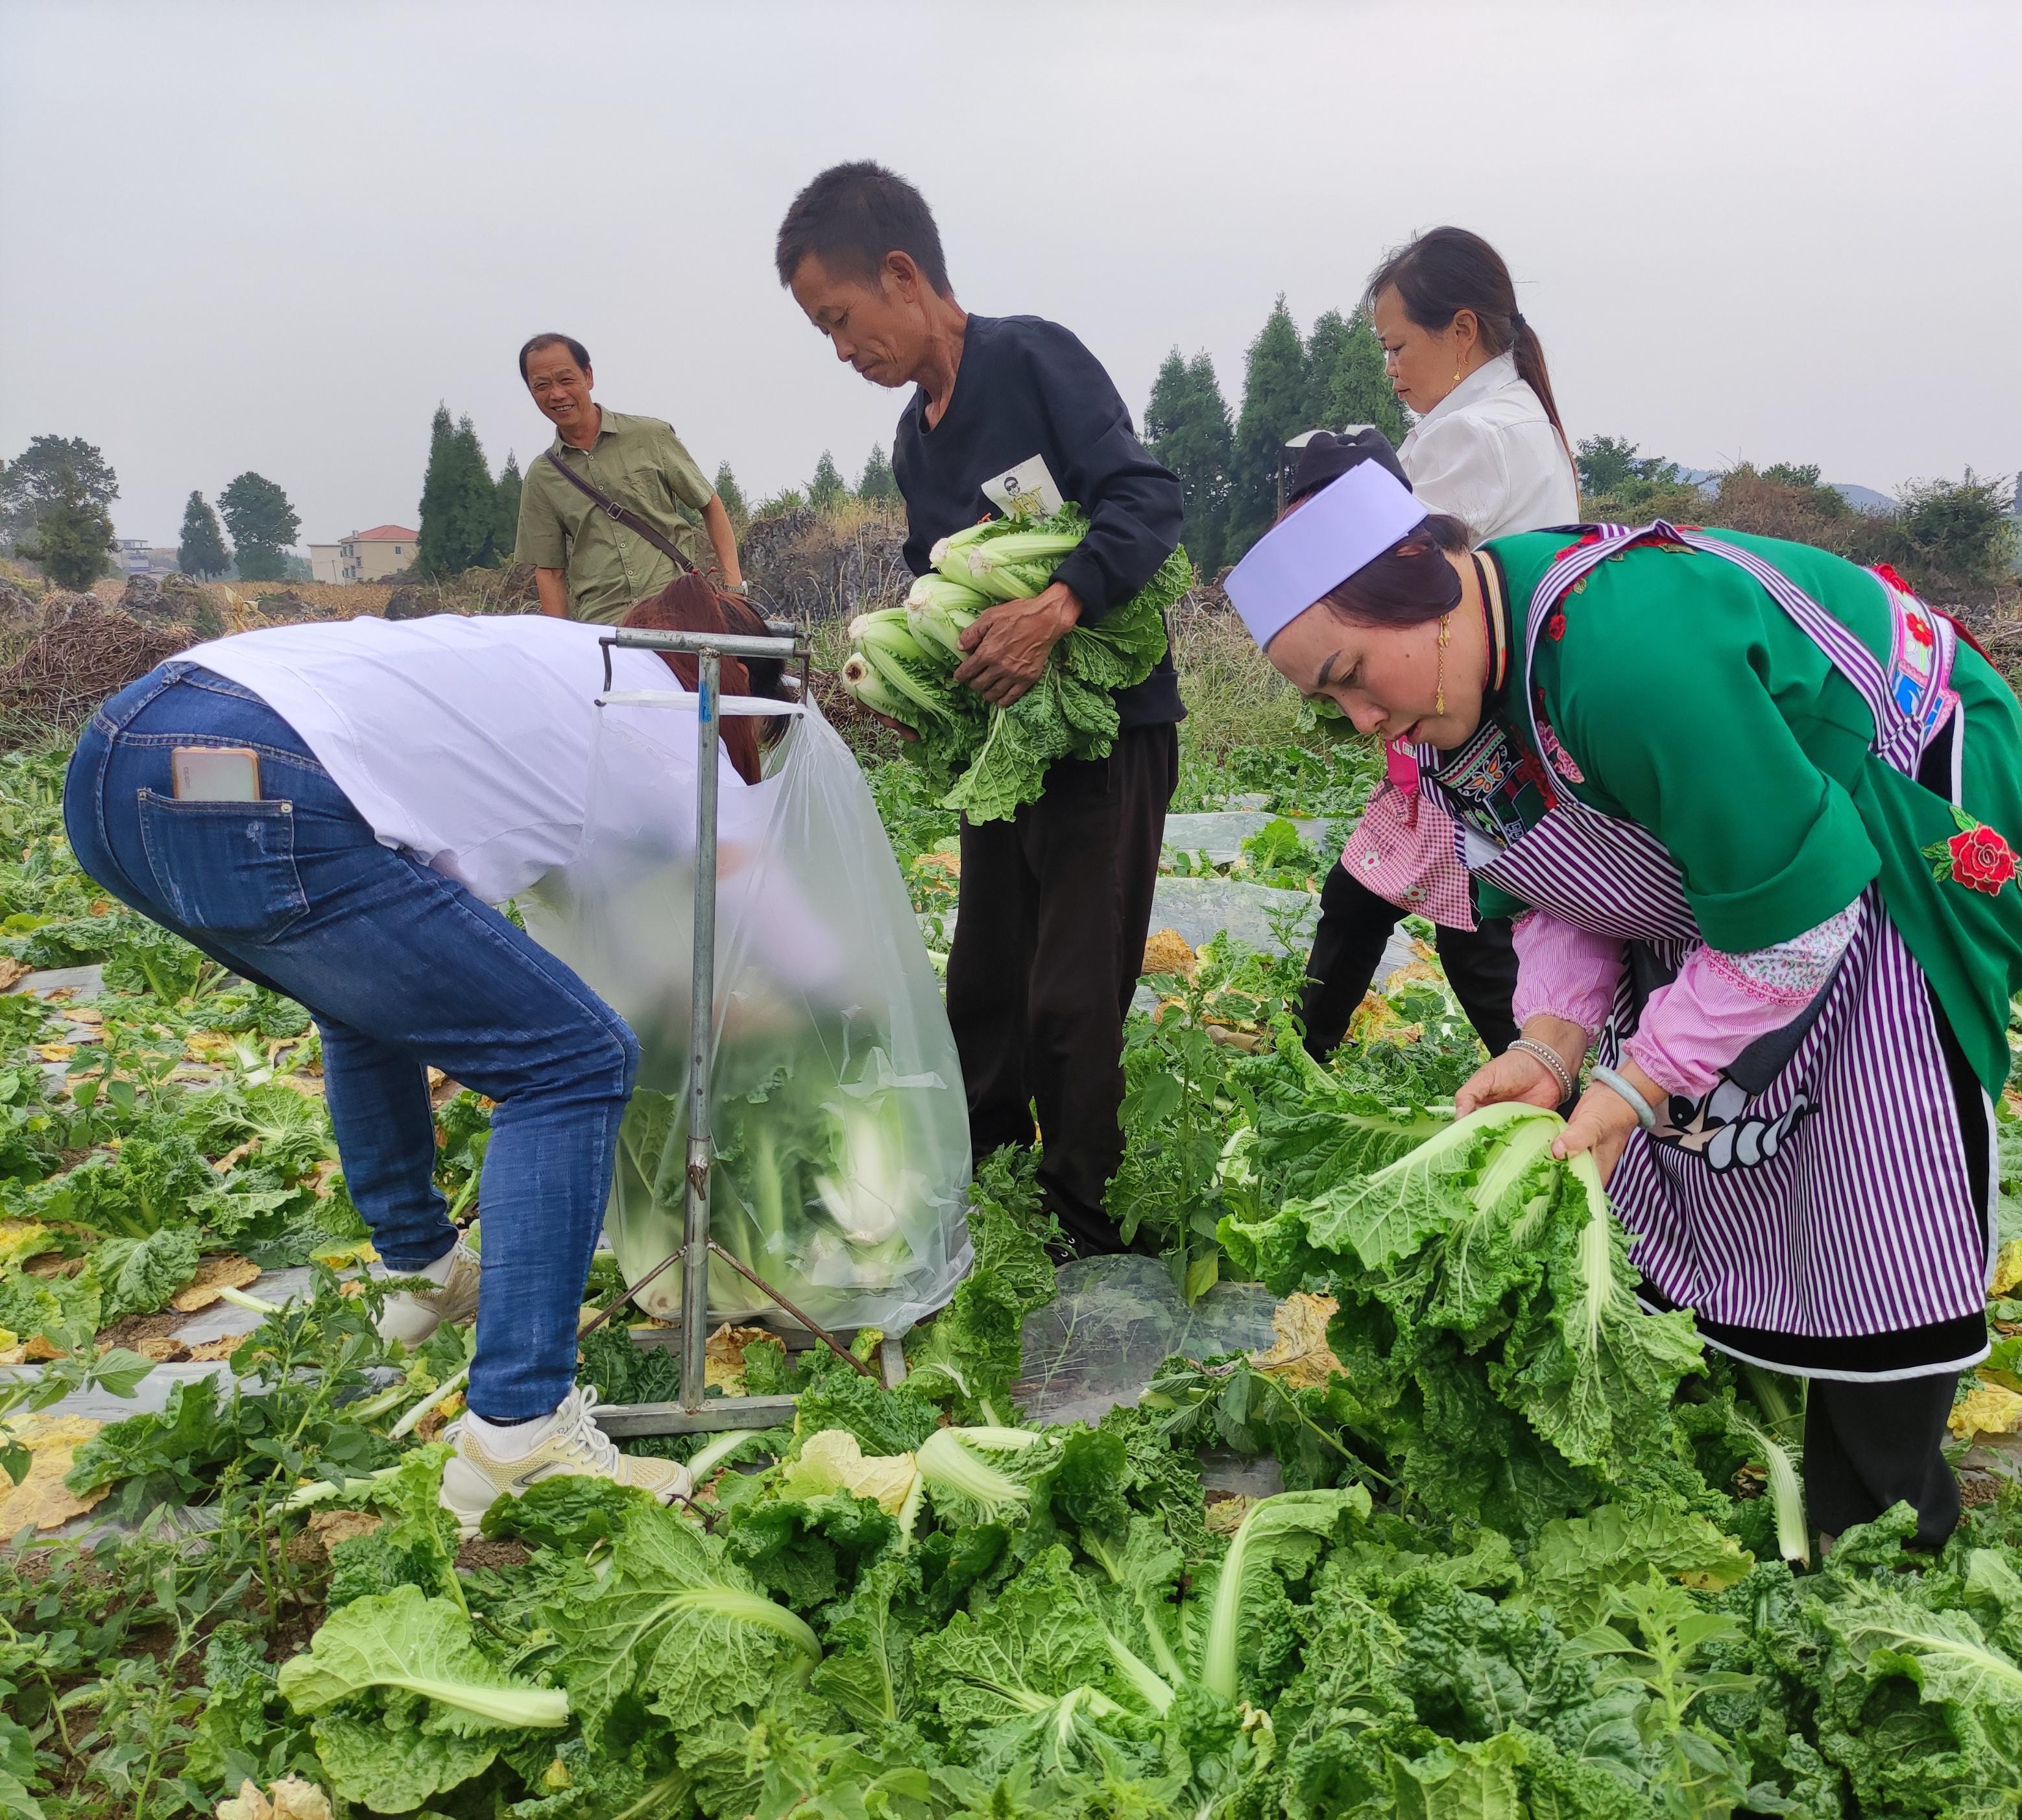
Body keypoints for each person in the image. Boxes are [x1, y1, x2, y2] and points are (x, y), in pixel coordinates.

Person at [1223, 461, 2022, 1551]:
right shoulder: (1447, 698)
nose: (1360, 719)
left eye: (1352, 674)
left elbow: (1793, 924)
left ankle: (1879, 1532)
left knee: (1869, 1117)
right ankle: (1718, 1388)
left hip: (1890, 791)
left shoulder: (1629, 655)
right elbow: (1565, 877)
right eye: (1327, 702)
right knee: (1688, 1113)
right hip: (1745, 825)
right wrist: (1552, 1043)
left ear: (1428, 579)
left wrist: (1633, 1081)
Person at [60, 577, 795, 1525]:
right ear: (733, 689)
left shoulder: (558, 657)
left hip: (127, 765)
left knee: (364, 998)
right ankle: (520, 1436)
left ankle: (424, 1271)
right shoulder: (665, 713)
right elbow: (743, 925)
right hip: (257, 774)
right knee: (572, 1061)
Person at [775, 161, 1183, 1257]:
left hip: (1104, 726)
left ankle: (1088, 1221)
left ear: (902, 276)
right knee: (989, 978)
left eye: (841, 318)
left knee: (1072, 989)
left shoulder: (1031, 358)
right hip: (1009, 742)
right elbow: (931, 582)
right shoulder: (917, 439)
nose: (842, 348)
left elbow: (1144, 501)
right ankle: (993, 1187)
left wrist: (1057, 607)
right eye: (822, 331)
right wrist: (913, 683)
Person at [1297, 230, 1577, 1063]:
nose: (1389, 366)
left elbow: (1384, 591)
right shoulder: (1516, 420)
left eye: (1396, 345)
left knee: (1465, 928)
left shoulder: (1471, 438)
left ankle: (1552, 1097)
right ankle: (1300, 1058)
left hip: (1472, 724)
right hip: (1489, 718)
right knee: (1373, 900)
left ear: (1460, 331)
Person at [512, 333, 746, 624]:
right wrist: (560, 642)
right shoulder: (542, 476)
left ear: (588, 376)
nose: (556, 394)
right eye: (542, 386)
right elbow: (550, 571)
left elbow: (709, 504)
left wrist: (734, 587)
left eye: (566, 379)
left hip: (677, 608)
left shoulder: (651, 436)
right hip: (604, 625)